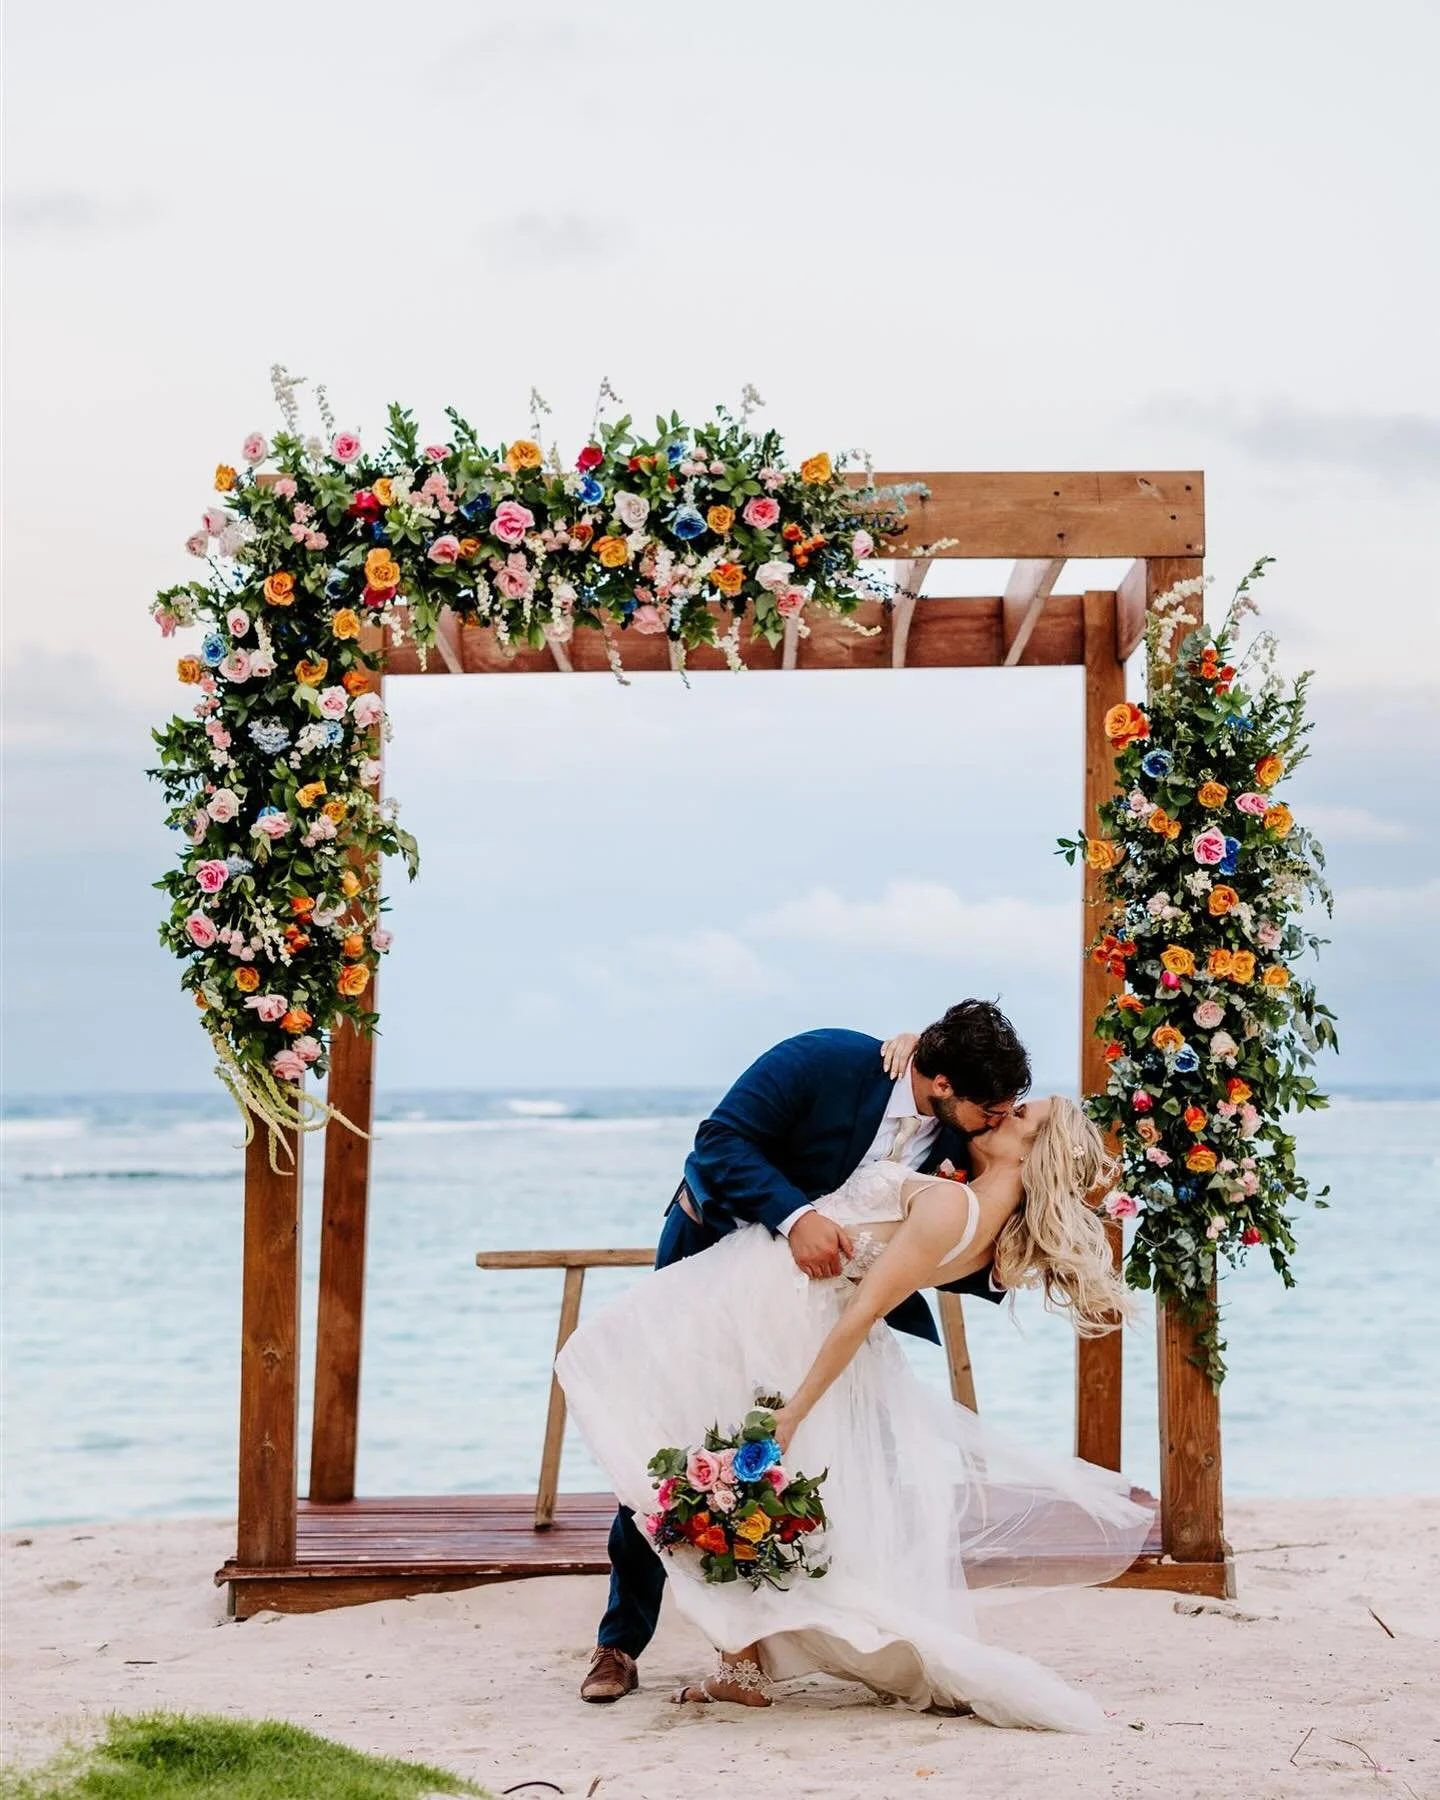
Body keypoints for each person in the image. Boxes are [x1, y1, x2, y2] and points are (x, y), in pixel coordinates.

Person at [558, 1076, 1154, 1731]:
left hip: (780, 1318)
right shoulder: (976, 1213)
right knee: (719, 1475)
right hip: (772, 1306)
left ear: (1030, 1150)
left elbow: (863, 1310)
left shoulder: (954, 1211)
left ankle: (739, 1665)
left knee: (674, 1433)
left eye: (1020, 1116)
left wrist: (794, 1412)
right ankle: (740, 1666)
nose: (1004, 1114)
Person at [572, 1001, 1030, 1704]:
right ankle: (618, 1644)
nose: (998, 1119)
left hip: (819, 1314)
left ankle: (786, 1646)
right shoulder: (825, 1060)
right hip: (717, 1265)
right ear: (939, 1080)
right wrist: (797, 1217)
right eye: (990, 1107)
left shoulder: (954, 1129)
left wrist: (1005, 1266)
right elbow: (719, 1143)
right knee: (676, 1450)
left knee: (820, 1462)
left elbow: (924, 1231)